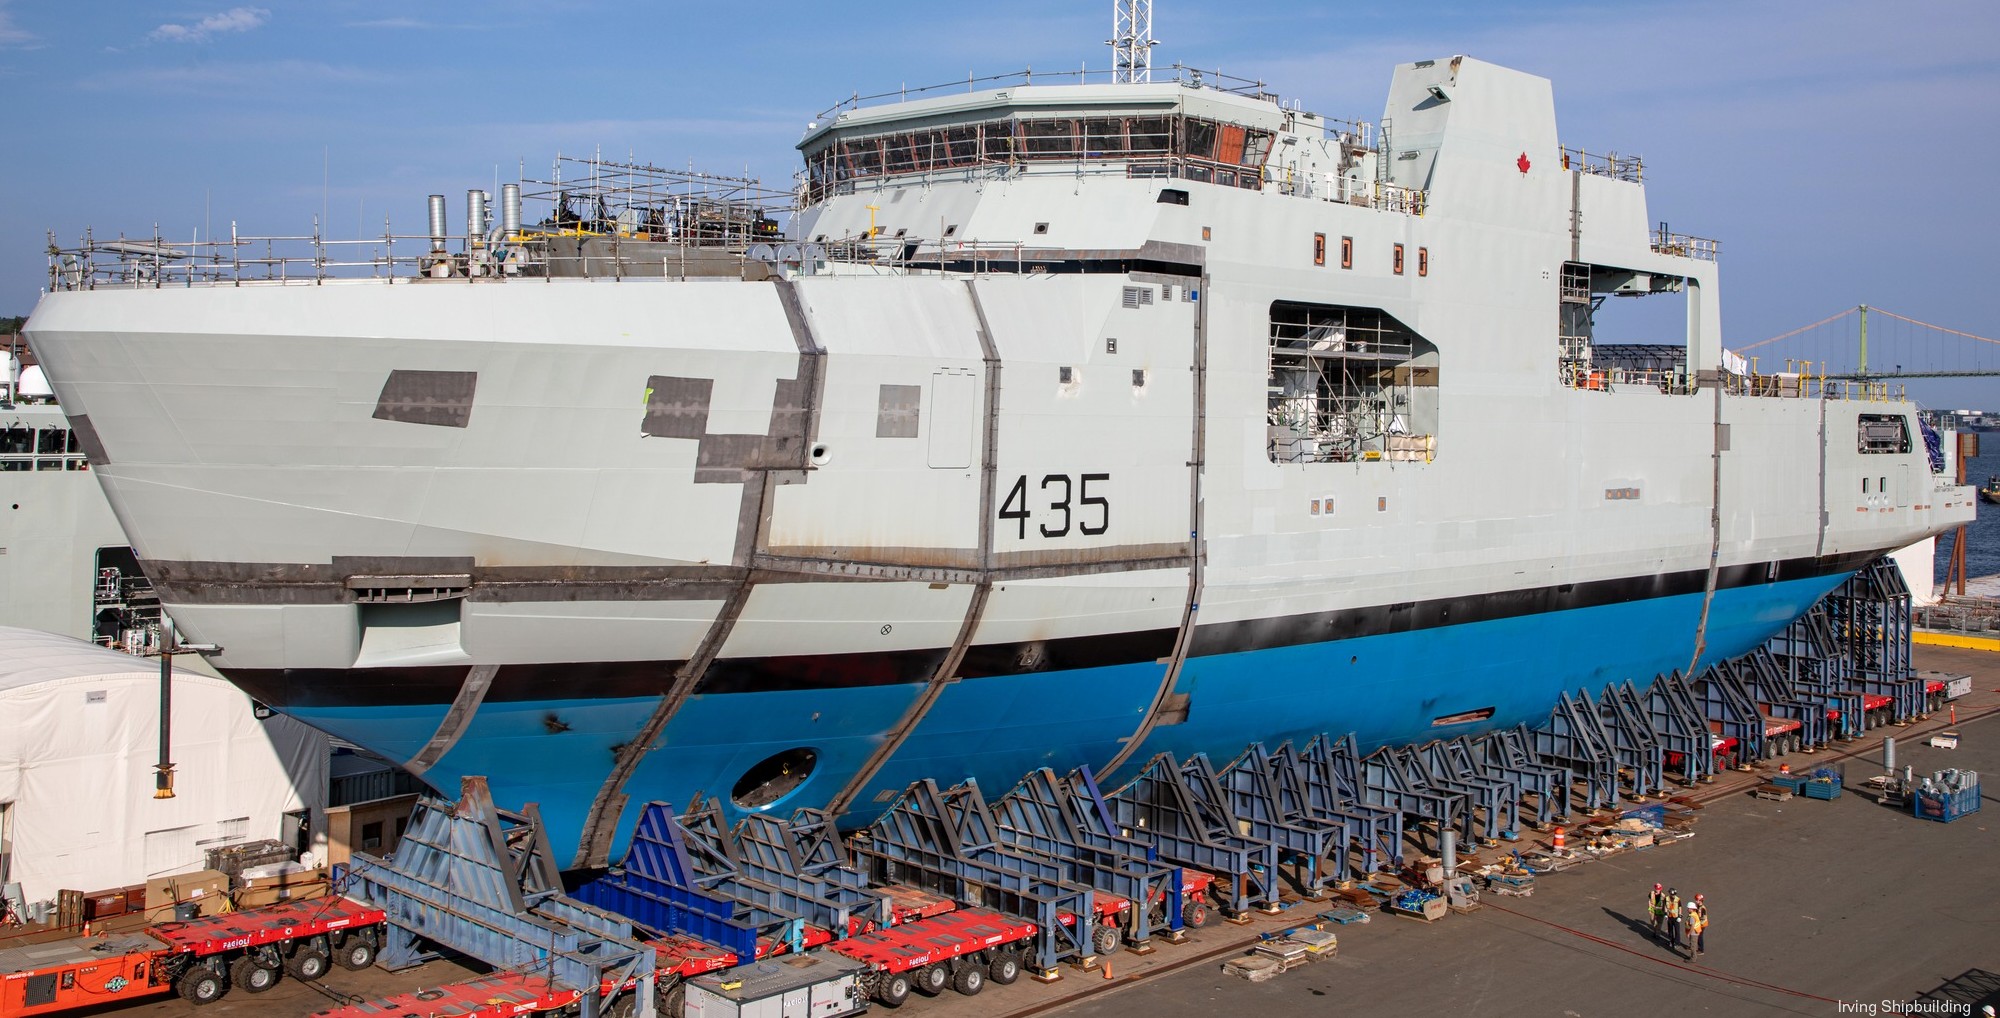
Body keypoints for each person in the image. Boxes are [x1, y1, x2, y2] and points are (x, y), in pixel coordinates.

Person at [1688, 894, 1709, 959]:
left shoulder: (1703, 908)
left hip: (1702, 924)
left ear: (1700, 901)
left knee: (1700, 936)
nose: (1696, 901)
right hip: (1699, 924)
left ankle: (1701, 950)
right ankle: (1694, 947)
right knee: (1698, 936)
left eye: (1697, 900)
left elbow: (1704, 918)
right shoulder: (1698, 906)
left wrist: (1699, 923)